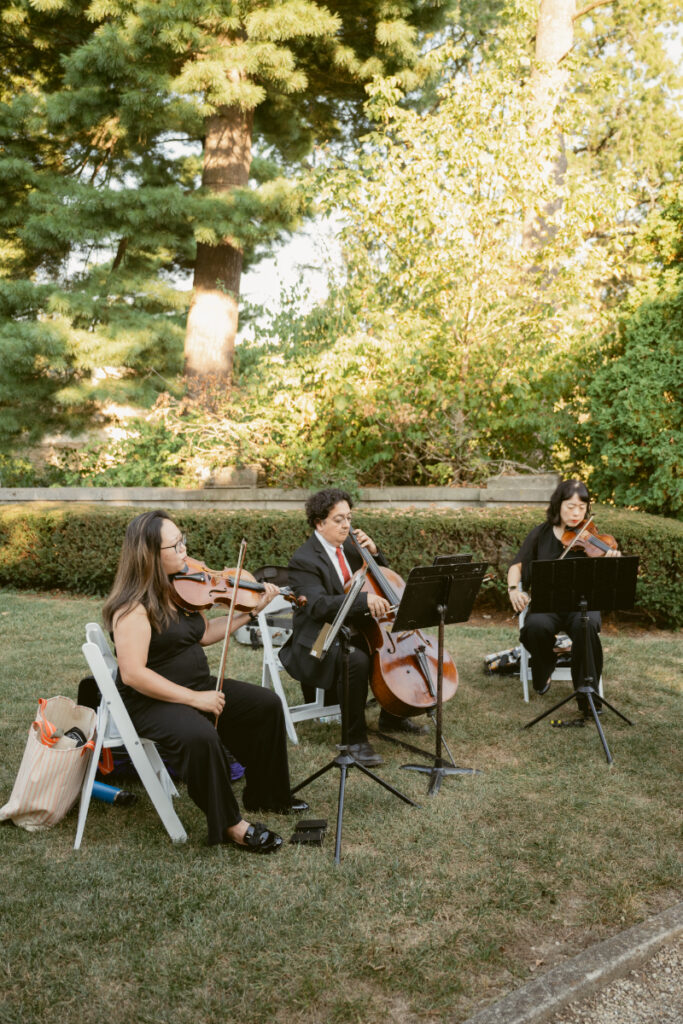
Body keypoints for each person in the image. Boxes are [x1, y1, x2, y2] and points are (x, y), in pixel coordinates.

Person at [102, 510, 307, 854]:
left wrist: (250, 612)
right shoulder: (132, 608)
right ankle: (231, 824)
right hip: (151, 699)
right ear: (150, 554)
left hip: (195, 684)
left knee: (265, 705)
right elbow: (134, 674)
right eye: (175, 545)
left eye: (183, 541)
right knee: (201, 736)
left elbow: (205, 634)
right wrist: (195, 700)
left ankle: (267, 794)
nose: (185, 551)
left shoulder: (181, 589)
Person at [279, 488, 428, 767]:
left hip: (356, 624)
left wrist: (375, 553)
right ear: (319, 523)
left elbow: (383, 579)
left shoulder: (352, 546)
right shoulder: (303, 560)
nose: (346, 525)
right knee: (356, 657)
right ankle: (355, 740)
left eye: (348, 517)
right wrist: (362, 600)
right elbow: (318, 606)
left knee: (388, 648)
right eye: (338, 519)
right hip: (321, 632)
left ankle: (392, 715)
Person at [507, 478, 621, 713]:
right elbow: (517, 565)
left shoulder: (592, 538)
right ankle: (544, 664)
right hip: (547, 605)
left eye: (582, 507)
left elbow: (611, 578)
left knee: (585, 626)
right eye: (571, 506)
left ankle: (587, 698)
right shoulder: (541, 533)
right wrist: (513, 590)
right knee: (534, 627)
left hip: (582, 604)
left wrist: (613, 562)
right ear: (558, 504)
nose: (576, 513)